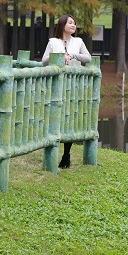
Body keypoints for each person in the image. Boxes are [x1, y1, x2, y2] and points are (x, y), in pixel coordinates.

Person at [40, 14, 90, 168]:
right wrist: (58, 56)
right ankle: (52, 147)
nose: (73, 25)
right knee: (56, 116)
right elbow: (43, 61)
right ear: (62, 25)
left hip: (73, 85)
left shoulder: (79, 41)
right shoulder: (53, 42)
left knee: (70, 118)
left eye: (74, 23)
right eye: (70, 23)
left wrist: (73, 55)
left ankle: (66, 154)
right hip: (57, 85)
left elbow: (87, 58)